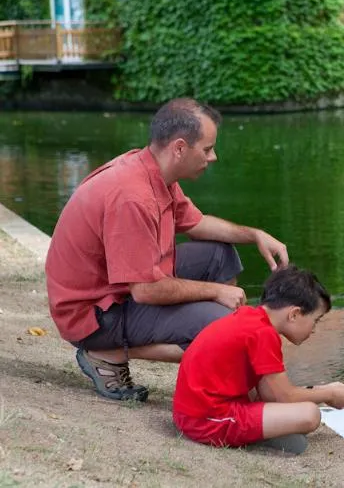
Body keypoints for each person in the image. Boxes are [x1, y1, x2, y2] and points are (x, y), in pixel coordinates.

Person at [45, 98, 289, 403]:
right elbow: (146, 291)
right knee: (217, 322)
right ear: (179, 148)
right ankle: (106, 353)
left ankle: (227, 353)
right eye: (207, 149)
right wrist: (214, 292)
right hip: (93, 314)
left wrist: (255, 235)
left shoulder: (152, 170)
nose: (213, 157)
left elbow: (196, 223)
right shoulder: (133, 197)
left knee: (219, 254)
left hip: (117, 289)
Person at [172, 265, 344, 451]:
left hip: (190, 414)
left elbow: (269, 394)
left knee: (294, 422)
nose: (314, 329)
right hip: (206, 420)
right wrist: (328, 394)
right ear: (294, 314)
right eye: (315, 320)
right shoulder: (264, 334)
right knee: (310, 414)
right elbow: (284, 396)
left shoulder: (250, 317)